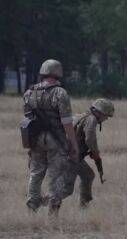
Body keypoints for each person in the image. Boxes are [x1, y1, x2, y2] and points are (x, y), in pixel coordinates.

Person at [23, 59, 79, 217]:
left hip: (35, 140)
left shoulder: (29, 93)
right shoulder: (60, 93)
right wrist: (73, 144)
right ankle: (53, 212)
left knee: (35, 174)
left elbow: (27, 120)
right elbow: (67, 123)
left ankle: (32, 207)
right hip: (56, 141)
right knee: (56, 176)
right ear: (58, 73)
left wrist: (29, 146)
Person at [63, 98, 114, 208]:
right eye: (106, 116)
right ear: (100, 113)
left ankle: (84, 205)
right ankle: (39, 201)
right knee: (66, 190)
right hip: (71, 157)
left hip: (71, 156)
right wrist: (95, 152)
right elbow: (90, 138)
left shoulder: (81, 115)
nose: (106, 119)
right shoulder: (92, 119)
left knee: (88, 175)